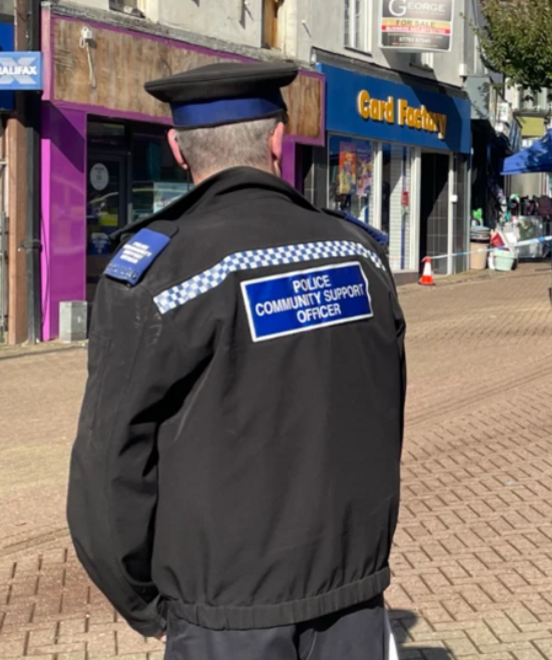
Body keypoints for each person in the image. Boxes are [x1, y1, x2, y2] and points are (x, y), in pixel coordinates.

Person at [66, 62, 407, 660]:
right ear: (279, 138)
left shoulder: (160, 273)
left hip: (225, 614)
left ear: (177, 148)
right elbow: (386, 407)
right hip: (353, 599)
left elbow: (109, 462)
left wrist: (144, 603)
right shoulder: (361, 255)